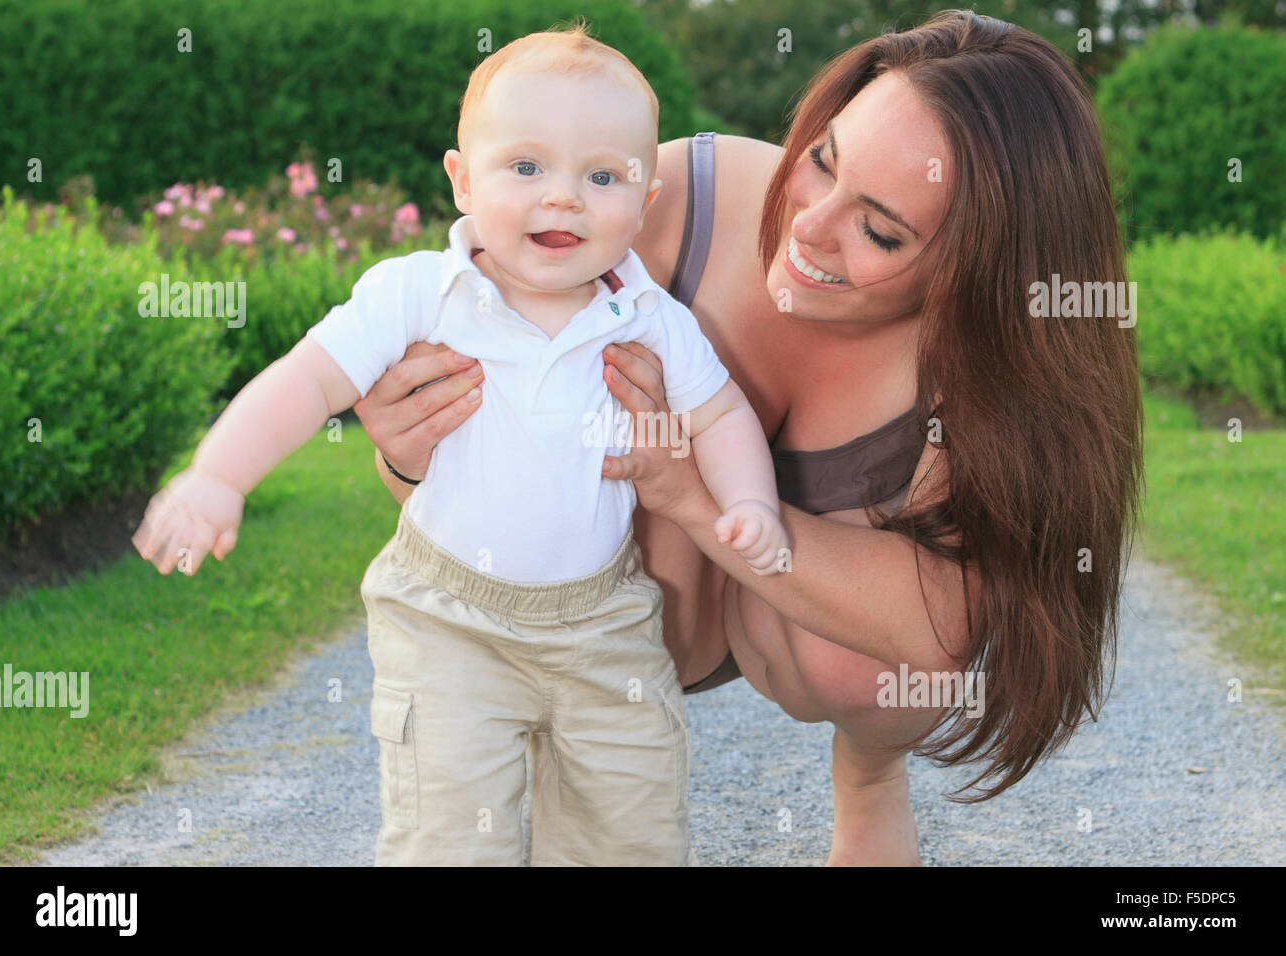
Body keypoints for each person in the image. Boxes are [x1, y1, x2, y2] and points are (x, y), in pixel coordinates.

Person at [356, 10, 1145, 865]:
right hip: (615, 603)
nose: (809, 226)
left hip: (787, 588)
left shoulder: (984, 373)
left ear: (977, 269)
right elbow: (460, 499)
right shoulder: (646, 201)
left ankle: (871, 773)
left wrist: (699, 499)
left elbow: (939, 628)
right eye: (823, 161)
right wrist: (408, 452)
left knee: (872, 670)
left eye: (880, 230)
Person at [130, 26, 791, 865]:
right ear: (462, 179)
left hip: (604, 621)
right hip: (449, 619)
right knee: (448, 833)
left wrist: (749, 503)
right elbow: (308, 379)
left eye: (601, 176)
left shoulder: (651, 319)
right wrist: (219, 477)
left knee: (629, 826)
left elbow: (721, 415)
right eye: (526, 168)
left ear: (646, 199)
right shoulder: (418, 294)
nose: (563, 199)